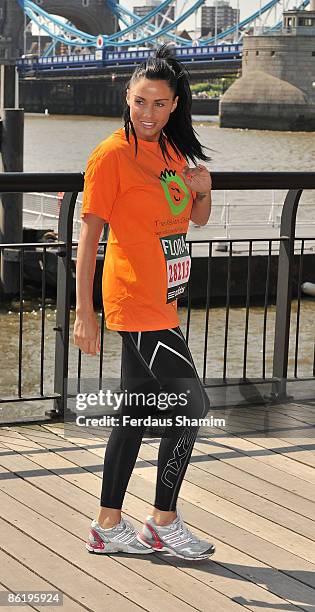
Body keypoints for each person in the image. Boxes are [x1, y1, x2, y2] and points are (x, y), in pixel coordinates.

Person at [73, 44, 215, 561]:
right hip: (134, 301)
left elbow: (192, 219)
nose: (147, 113)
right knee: (191, 406)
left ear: (174, 104)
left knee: (134, 414)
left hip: (165, 303)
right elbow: (88, 237)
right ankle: (163, 520)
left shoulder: (173, 152)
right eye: (139, 102)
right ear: (126, 98)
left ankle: (108, 525)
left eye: (158, 103)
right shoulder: (112, 154)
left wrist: (202, 191)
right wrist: (84, 312)